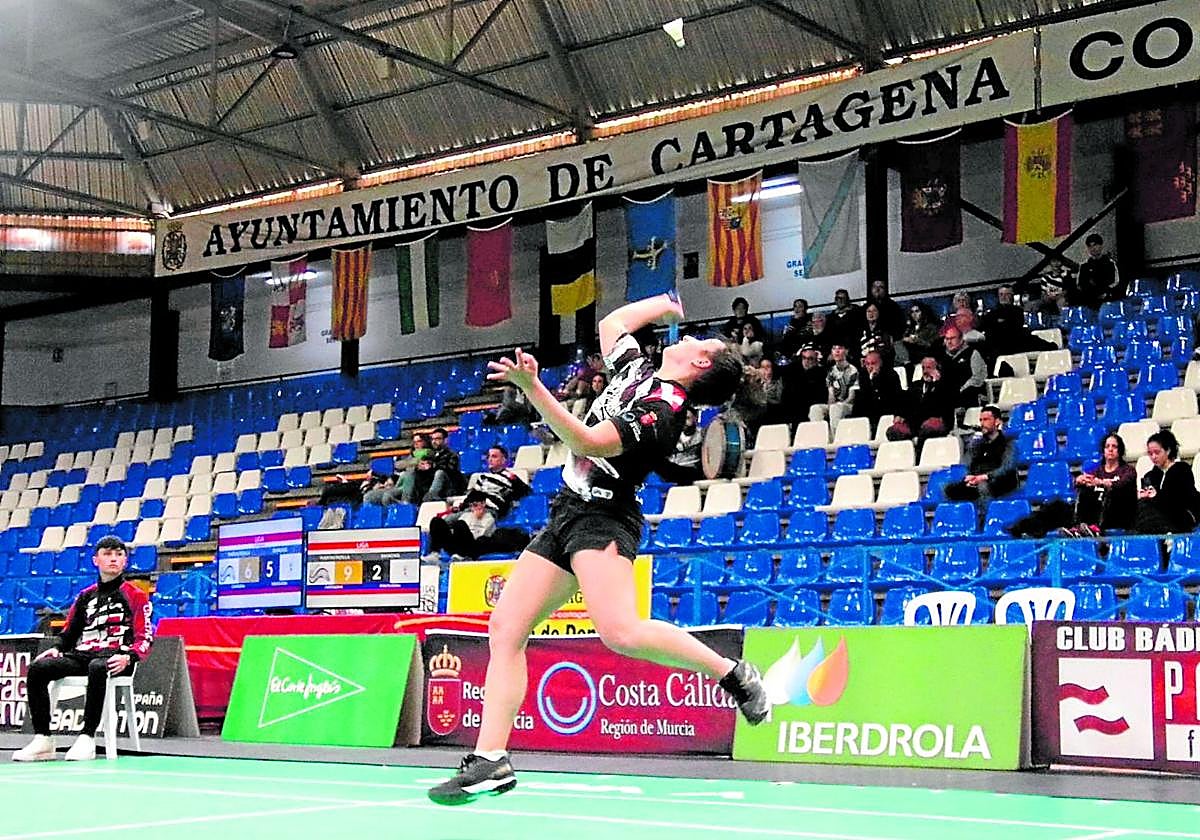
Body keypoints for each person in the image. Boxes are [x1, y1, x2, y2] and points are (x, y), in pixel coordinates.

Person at [427, 292, 767, 806]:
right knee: (506, 627)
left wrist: (533, 387)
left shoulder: (663, 413)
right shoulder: (640, 370)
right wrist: (670, 304)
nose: (692, 336)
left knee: (620, 631)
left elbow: (587, 440)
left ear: (700, 362)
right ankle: (491, 759)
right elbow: (613, 322)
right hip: (569, 507)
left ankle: (732, 673)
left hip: (604, 517)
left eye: (701, 340)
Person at [13, 536, 153, 762]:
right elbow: (70, 632)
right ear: (95, 560)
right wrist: (58, 648)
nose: (113, 559)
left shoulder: (136, 595)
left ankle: (87, 737)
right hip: (84, 654)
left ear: (125, 562)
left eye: (119, 555)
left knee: (98, 667)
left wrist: (129, 656)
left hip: (117, 658)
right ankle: (43, 739)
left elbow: (145, 636)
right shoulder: (85, 596)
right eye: (108, 554)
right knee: (39, 668)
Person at [1064, 433, 1137, 536]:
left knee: (1105, 494)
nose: (1110, 449)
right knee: (1068, 501)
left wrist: (1102, 483)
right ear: (1103, 450)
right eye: (1107, 446)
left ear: (1120, 450)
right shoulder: (1097, 471)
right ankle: (1080, 526)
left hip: (1119, 512)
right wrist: (1080, 480)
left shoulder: (1128, 470)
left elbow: (1122, 484)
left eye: (1114, 446)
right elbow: (1086, 482)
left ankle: (1094, 527)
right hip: (1097, 507)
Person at [943, 405, 1017, 506]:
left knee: (983, 486)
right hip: (978, 479)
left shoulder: (1008, 442)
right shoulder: (977, 443)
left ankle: (985, 518)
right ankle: (960, 518)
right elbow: (969, 463)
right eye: (981, 420)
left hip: (1000, 481)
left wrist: (985, 476)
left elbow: (1007, 467)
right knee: (949, 488)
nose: (982, 423)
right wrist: (970, 477)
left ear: (997, 422)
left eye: (986, 420)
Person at [1135, 430, 1200, 535]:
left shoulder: (1182, 470)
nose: (1153, 457)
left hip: (1182, 513)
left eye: (1157, 452)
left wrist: (1157, 496)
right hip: (1157, 514)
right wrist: (1143, 495)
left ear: (1168, 451)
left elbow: (1179, 500)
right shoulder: (1151, 475)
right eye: (1150, 454)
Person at [979, 284, 1058, 361]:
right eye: (1001, 294)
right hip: (999, 345)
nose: (1003, 297)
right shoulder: (991, 314)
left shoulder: (1018, 311)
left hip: (1017, 341)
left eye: (1007, 294)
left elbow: (1017, 328)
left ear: (1012, 296)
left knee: (1047, 346)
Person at [888, 356, 954, 447]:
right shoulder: (915, 385)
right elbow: (904, 403)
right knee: (894, 431)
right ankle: (905, 457)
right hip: (915, 423)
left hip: (938, 420)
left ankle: (920, 457)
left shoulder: (945, 386)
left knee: (927, 428)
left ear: (938, 369)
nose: (925, 371)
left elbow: (941, 405)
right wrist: (900, 415)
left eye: (929, 368)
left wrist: (936, 384)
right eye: (923, 368)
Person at [809, 343, 858, 433]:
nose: (837, 351)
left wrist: (839, 404)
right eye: (834, 349)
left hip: (848, 405)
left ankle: (836, 438)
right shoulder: (831, 371)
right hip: (834, 405)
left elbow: (851, 397)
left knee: (835, 408)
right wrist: (831, 404)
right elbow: (831, 394)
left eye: (840, 348)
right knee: (815, 409)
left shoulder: (852, 370)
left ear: (846, 351)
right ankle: (821, 437)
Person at [406, 427, 464, 503]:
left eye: (437, 439)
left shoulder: (452, 455)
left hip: (449, 487)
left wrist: (432, 466)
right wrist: (420, 468)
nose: (434, 441)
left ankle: (430, 497)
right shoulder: (429, 455)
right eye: (432, 439)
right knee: (412, 473)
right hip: (429, 486)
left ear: (445, 440)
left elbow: (450, 470)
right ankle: (410, 502)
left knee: (440, 473)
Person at [852, 350, 903, 435]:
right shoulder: (863, 375)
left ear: (880, 363)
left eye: (873, 363)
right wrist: (872, 381)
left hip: (887, 407)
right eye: (867, 364)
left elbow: (892, 396)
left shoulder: (891, 374)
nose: (870, 367)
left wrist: (876, 380)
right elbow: (865, 395)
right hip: (869, 408)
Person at [940, 326, 987, 413]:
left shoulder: (972, 353)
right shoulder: (942, 358)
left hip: (967, 392)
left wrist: (961, 390)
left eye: (952, 338)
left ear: (961, 339)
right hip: (947, 395)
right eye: (947, 339)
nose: (949, 342)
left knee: (969, 392)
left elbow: (978, 378)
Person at [780, 344, 827, 425]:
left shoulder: (822, 373)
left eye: (810, 358)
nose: (806, 361)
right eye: (804, 358)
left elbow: (821, 395)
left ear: (816, 359)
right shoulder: (792, 371)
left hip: (812, 407)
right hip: (794, 409)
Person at [1074, 233, 1123, 308]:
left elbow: (1116, 282)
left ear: (1101, 246)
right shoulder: (1084, 265)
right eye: (1090, 246)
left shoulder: (1110, 263)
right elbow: (1079, 284)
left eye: (1095, 245)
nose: (1093, 248)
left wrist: (1105, 292)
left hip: (1106, 297)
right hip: (1088, 298)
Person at [658, 407, 704, 485]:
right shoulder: (672, 434)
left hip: (691, 469)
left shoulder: (701, 434)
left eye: (687, 418)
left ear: (695, 418)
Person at [897, 302, 939, 368]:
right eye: (912, 312)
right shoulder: (910, 328)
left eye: (917, 311)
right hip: (911, 356)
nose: (914, 314)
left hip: (925, 356)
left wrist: (916, 340)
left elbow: (932, 345)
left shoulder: (931, 327)